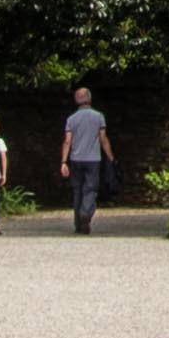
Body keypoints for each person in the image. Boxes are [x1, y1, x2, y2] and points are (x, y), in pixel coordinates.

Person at [62, 87, 110, 234]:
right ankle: (85, 213)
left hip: (76, 159)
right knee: (90, 189)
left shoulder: (71, 119)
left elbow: (67, 141)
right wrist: (110, 156)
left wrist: (63, 161)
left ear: (76, 100)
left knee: (77, 191)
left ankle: (78, 224)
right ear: (89, 98)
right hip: (93, 159)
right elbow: (103, 139)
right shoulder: (99, 116)